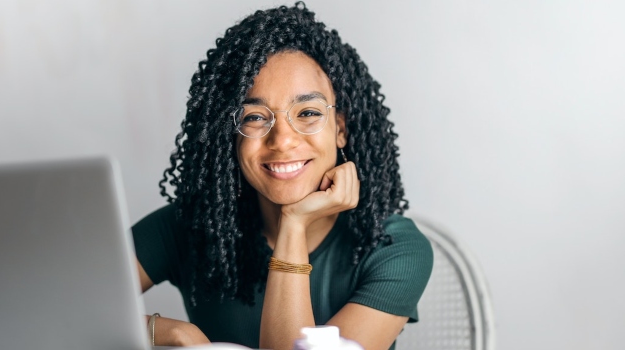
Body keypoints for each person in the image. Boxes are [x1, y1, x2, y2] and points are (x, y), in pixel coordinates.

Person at [131, 3, 433, 350]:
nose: (283, 140)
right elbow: (62, 303)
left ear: (341, 129)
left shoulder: (394, 248)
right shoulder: (191, 226)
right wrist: (170, 333)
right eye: (254, 117)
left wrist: (293, 223)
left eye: (307, 112)